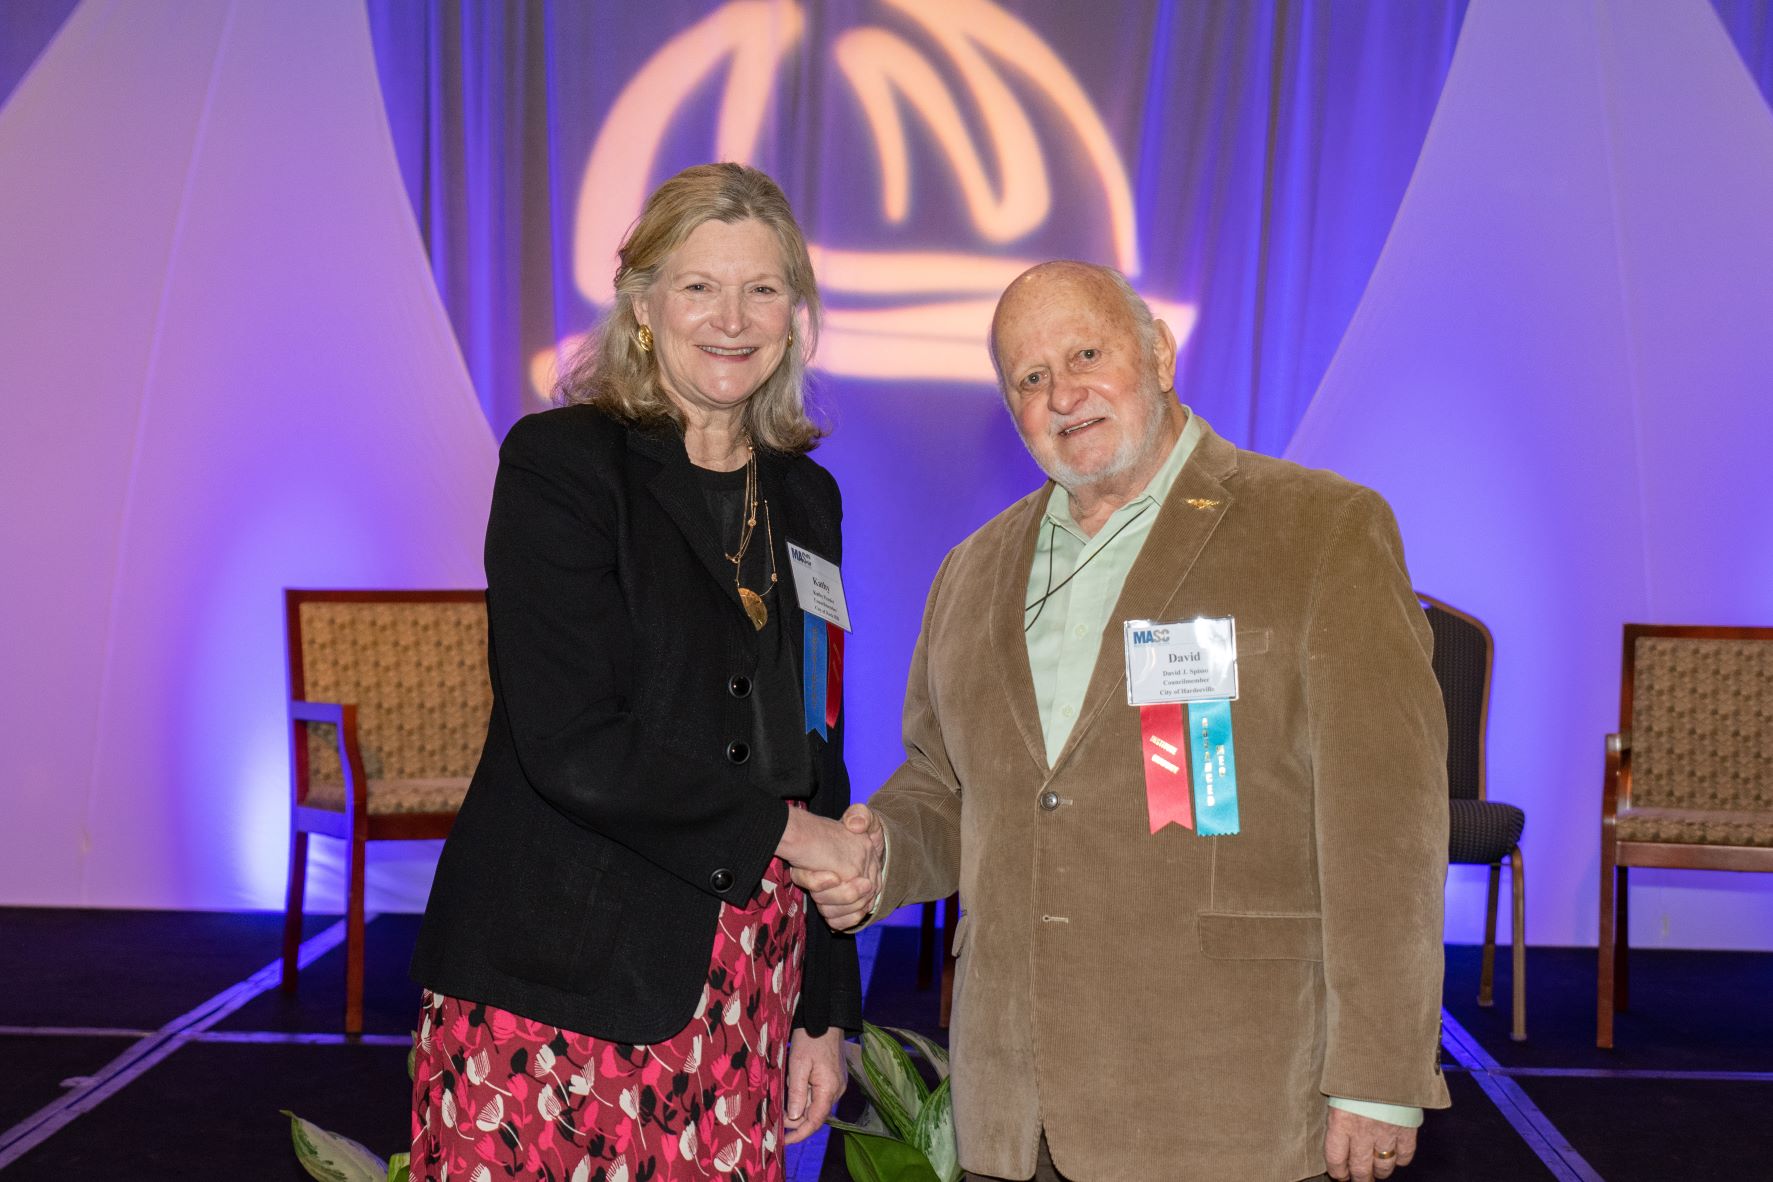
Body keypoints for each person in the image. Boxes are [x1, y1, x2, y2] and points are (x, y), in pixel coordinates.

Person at [803, 261, 1450, 1182]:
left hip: (1229, 1096)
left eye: (1085, 355)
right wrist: (880, 853)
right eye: (1030, 378)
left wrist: (1378, 1076)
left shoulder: (1320, 531)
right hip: (1016, 1107)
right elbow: (946, 786)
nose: (1062, 394)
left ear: (1159, 353)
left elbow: (1386, 828)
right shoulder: (971, 571)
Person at [410, 163, 880, 1182]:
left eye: (762, 289)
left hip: (748, 983)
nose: (732, 319)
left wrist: (822, 1012)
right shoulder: (562, 466)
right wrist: (788, 836)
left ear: (794, 315)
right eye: (699, 286)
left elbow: (815, 743)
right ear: (642, 305)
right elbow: (573, 742)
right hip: (560, 984)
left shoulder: (807, 499)